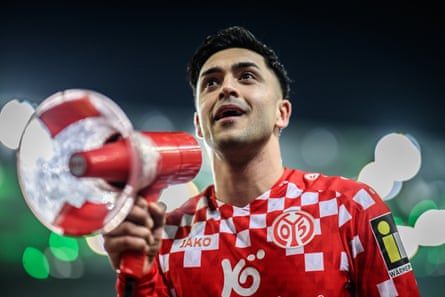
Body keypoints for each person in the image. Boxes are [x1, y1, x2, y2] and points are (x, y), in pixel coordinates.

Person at [103, 26, 422, 297]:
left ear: (282, 113)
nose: (226, 88)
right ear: (199, 124)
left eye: (246, 76)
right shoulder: (168, 233)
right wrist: (137, 276)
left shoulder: (351, 208)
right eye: (210, 83)